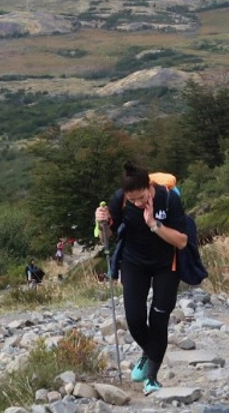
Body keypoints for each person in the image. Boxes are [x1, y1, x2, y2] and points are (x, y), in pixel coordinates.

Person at [93, 162, 189, 395]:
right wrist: (100, 222)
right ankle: (149, 352)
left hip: (167, 264)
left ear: (150, 187)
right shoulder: (120, 200)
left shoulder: (168, 198)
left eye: (142, 197)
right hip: (134, 264)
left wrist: (153, 224)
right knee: (134, 319)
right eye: (132, 199)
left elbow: (182, 241)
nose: (138, 203)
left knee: (159, 319)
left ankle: (152, 378)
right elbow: (105, 238)